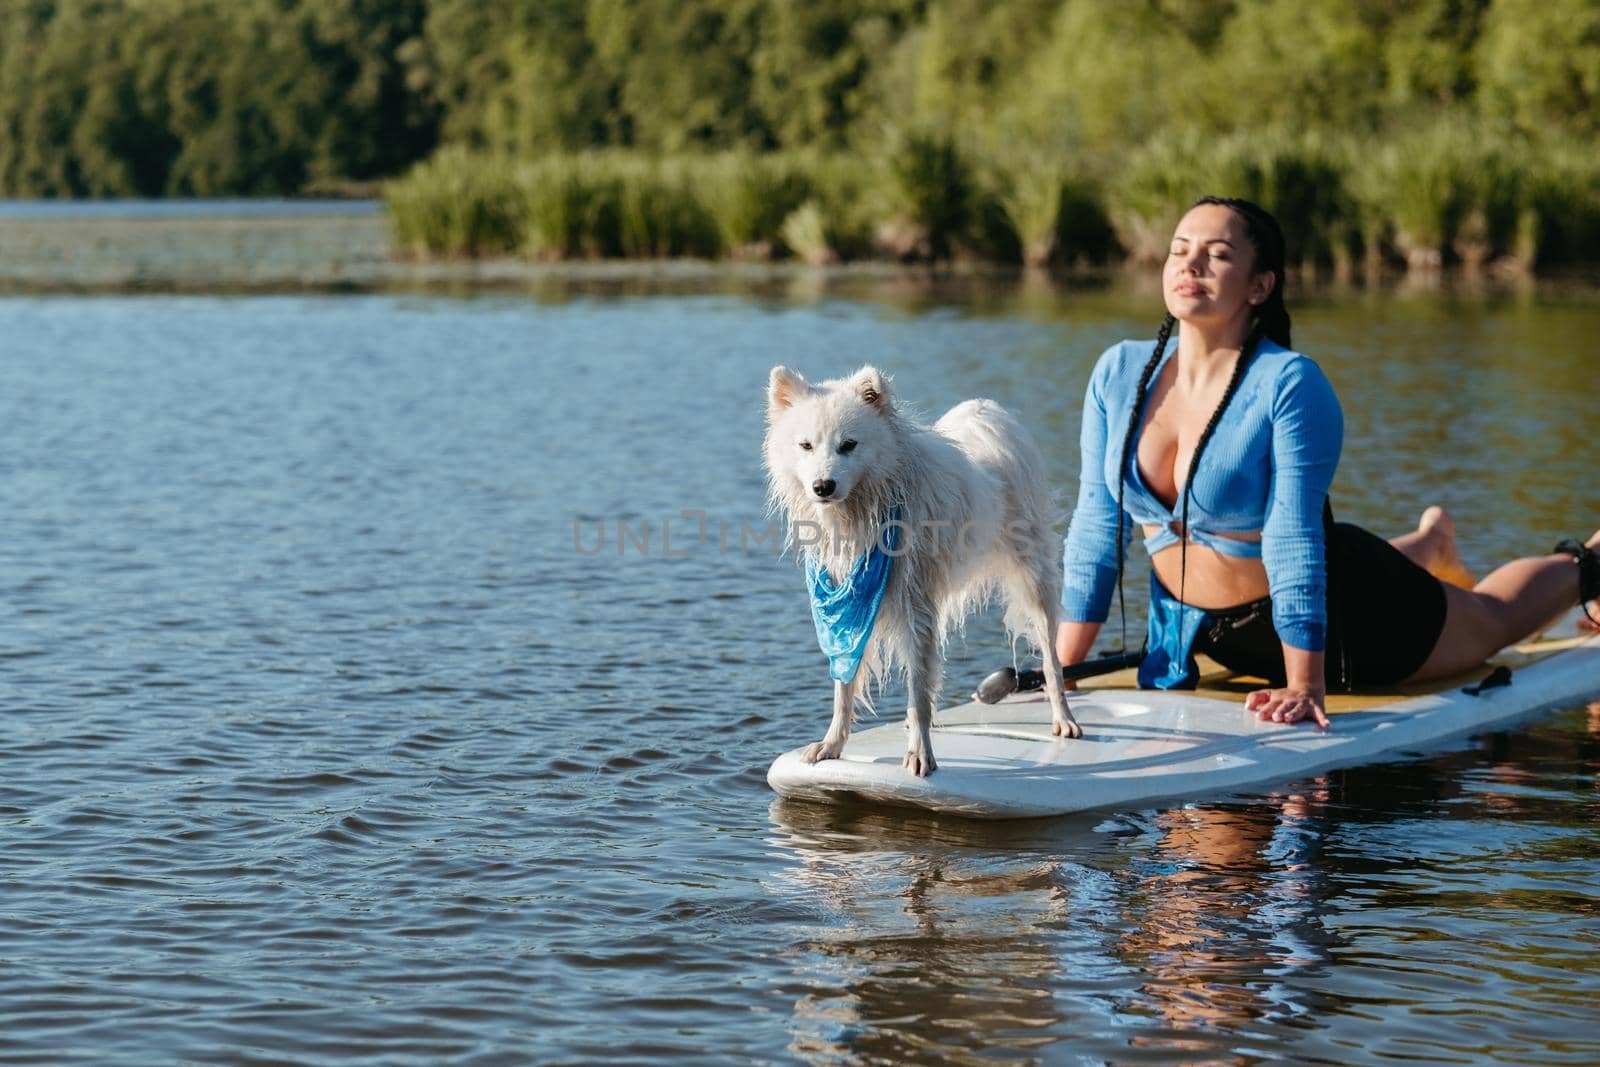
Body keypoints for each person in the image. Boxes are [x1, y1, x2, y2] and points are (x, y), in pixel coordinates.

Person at [1055, 196, 1599, 729]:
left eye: (1217, 254)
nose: (1190, 264)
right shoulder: (1119, 373)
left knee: (1492, 618)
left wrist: (1305, 685)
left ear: (1260, 285)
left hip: (1345, 619)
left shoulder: (1288, 383)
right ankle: (1431, 544)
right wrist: (1065, 669)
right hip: (1211, 631)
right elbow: (1096, 529)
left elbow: (1293, 537)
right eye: (1179, 250)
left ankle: (1589, 561)